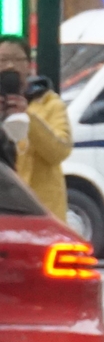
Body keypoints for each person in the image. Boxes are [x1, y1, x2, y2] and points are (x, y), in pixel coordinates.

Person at [0, 34, 71, 224]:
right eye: (3, 60)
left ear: (29, 65)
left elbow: (60, 151)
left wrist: (27, 118)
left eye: (17, 59)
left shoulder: (50, 104)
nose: (10, 66)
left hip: (42, 213)